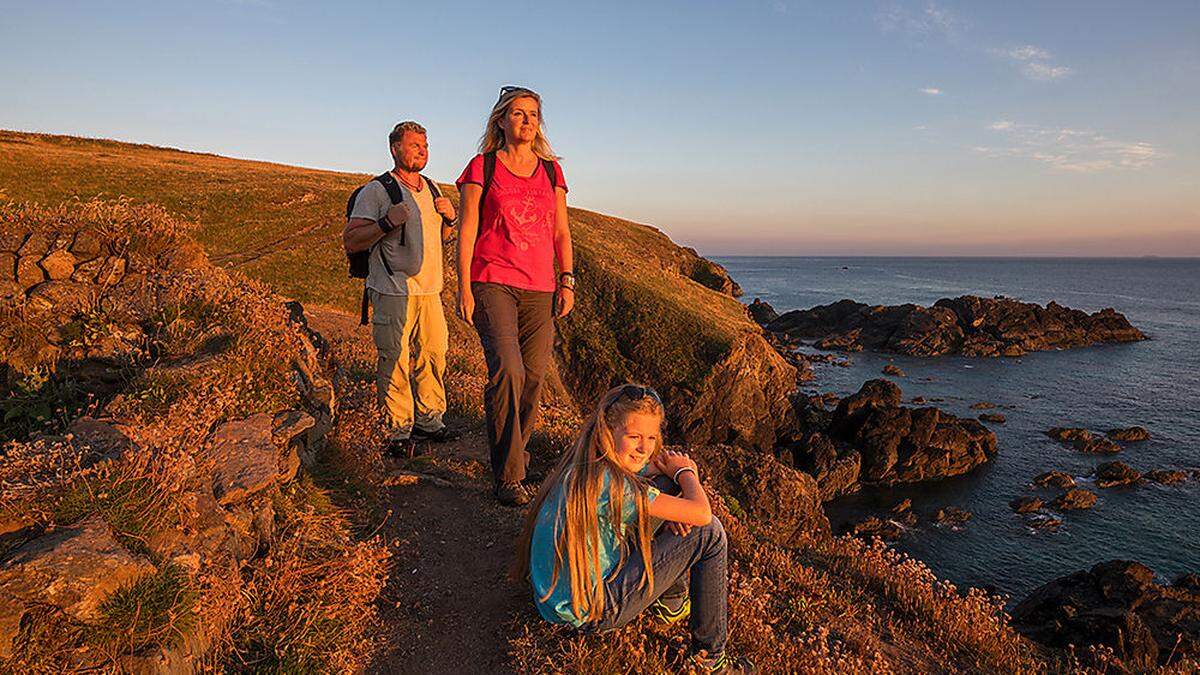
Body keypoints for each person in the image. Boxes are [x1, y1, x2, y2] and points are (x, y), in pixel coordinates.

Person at [513, 384, 753, 674]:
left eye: (651, 437)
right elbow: (702, 514)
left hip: (559, 601)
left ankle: (672, 603)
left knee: (666, 489)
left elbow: (649, 470)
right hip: (592, 611)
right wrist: (687, 473)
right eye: (634, 437)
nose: (644, 447)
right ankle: (710, 659)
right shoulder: (614, 487)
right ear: (607, 433)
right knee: (710, 534)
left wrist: (672, 490)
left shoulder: (587, 466)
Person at [455, 86, 575, 505]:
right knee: (509, 371)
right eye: (519, 113)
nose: (527, 121)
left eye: (533, 114)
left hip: (541, 287)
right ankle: (508, 477)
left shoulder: (551, 172)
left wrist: (567, 279)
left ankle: (517, 458)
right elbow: (467, 230)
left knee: (535, 376)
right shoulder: (482, 167)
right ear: (501, 121)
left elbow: (561, 231)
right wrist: (464, 288)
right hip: (493, 281)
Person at [343, 121, 460, 455]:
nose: (422, 151)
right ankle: (396, 432)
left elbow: (442, 239)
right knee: (394, 359)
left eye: (425, 146)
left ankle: (429, 422)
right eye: (414, 145)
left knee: (433, 355)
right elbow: (352, 240)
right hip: (392, 289)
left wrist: (449, 220)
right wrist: (385, 222)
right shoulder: (377, 191)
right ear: (395, 148)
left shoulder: (433, 189)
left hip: (430, 291)